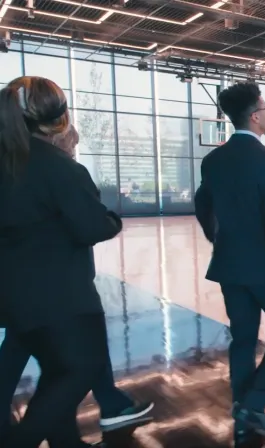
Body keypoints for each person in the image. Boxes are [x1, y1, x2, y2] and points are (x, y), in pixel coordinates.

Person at [0, 122, 154, 446]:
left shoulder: (14, 165)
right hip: (56, 291)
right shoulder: (56, 168)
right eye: (71, 141)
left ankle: (72, 435)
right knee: (76, 368)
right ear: (57, 135)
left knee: (48, 364)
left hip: (21, 289)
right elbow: (89, 225)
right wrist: (111, 220)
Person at [194, 81, 265, 443]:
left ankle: (243, 409)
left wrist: (217, 237)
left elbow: (202, 203)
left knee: (242, 338)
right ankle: (254, 404)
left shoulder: (213, 160)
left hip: (229, 266)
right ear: (255, 116)